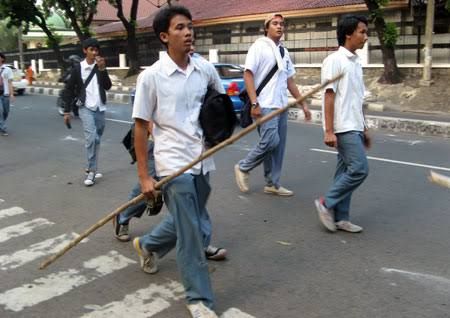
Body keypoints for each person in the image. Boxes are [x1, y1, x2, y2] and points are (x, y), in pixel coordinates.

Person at [131, 6, 225, 317]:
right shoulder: (152, 78)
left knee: (191, 220)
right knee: (192, 234)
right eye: (180, 28)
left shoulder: (204, 69)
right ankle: (199, 300)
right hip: (173, 165)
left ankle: (148, 244)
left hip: (202, 159)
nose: (188, 32)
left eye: (190, 27)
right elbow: (142, 128)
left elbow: (219, 105)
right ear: (164, 36)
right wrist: (145, 177)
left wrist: (220, 131)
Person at [233, 13, 311, 196]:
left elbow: (289, 81)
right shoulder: (259, 47)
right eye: (275, 23)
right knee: (271, 140)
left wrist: (303, 104)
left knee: (278, 146)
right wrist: (254, 103)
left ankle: (272, 183)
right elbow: (248, 74)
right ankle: (243, 167)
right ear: (266, 27)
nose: (279, 26)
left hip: (281, 104)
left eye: (282, 24)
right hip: (265, 104)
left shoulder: (284, 51)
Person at [314, 14, 370, 233]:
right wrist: (329, 130)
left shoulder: (355, 63)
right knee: (359, 169)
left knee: (344, 171)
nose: (366, 36)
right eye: (362, 31)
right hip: (343, 126)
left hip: (354, 125)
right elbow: (329, 96)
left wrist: (364, 128)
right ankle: (325, 203)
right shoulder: (334, 61)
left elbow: (357, 99)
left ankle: (341, 218)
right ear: (348, 34)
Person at [63, 38, 112, 187]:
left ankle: (92, 165)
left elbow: (108, 86)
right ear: (85, 51)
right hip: (85, 107)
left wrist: (103, 70)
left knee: (97, 139)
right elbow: (69, 89)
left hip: (100, 107)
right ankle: (91, 171)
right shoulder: (78, 68)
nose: (94, 53)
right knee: (91, 138)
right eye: (91, 50)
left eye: (96, 50)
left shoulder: (100, 66)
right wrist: (66, 111)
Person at [0, 53, 15, 137]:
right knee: (0, 111)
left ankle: (1, 123)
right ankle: (3, 128)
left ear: (2, 59)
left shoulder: (7, 69)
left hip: (5, 94)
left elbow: (10, 82)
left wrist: (12, 94)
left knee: (6, 111)